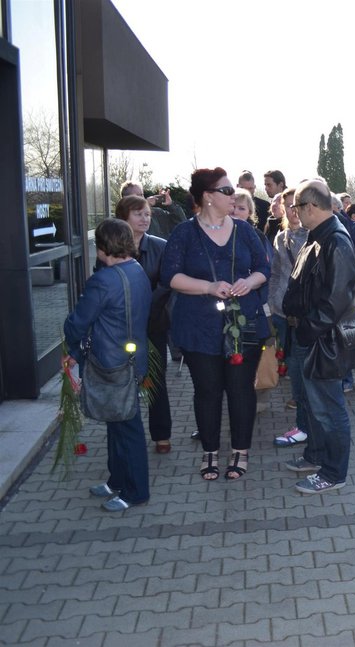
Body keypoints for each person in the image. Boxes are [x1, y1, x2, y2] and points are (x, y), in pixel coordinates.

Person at [161, 167, 270, 481]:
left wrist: (249, 282)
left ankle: (241, 451)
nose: (232, 195)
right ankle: (210, 451)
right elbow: (171, 276)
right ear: (207, 196)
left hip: (244, 324)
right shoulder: (184, 233)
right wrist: (208, 287)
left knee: (240, 391)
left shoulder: (244, 230)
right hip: (198, 327)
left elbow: (264, 267)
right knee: (207, 391)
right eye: (225, 191)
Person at [281, 179, 355, 495]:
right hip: (312, 335)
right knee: (314, 405)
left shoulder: (335, 242)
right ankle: (316, 455)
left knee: (329, 408)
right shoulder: (320, 237)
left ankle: (333, 472)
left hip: (323, 340)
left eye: (297, 206)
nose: (294, 212)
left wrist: (305, 330)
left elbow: (334, 301)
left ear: (311, 206)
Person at [64, 219, 151, 511]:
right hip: (132, 359)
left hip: (113, 365)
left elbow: (78, 322)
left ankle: (135, 491)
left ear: (102, 247)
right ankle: (117, 481)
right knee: (118, 423)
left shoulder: (104, 279)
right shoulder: (136, 270)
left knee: (127, 428)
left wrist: (73, 347)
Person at [113, 195, 172, 454]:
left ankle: (162, 435)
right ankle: (128, 433)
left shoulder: (161, 246)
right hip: (121, 327)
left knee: (155, 379)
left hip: (153, 323)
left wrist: (145, 306)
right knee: (125, 381)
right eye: (138, 214)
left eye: (147, 214)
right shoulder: (112, 246)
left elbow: (167, 284)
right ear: (123, 217)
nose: (145, 219)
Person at [269, 187, 310, 446]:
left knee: (300, 360)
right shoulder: (280, 237)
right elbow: (275, 273)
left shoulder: (314, 236)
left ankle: (307, 413)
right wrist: (272, 303)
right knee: (292, 359)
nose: (292, 211)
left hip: (306, 311)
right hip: (283, 309)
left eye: (296, 205)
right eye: (287, 206)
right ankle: (301, 404)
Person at [120, 181, 187, 239]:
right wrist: (145, 205)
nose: (142, 198)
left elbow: (181, 224)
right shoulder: (121, 218)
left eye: (142, 195)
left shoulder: (156, 213)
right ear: (126, 198)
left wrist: (171, 205)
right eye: (138, 195)